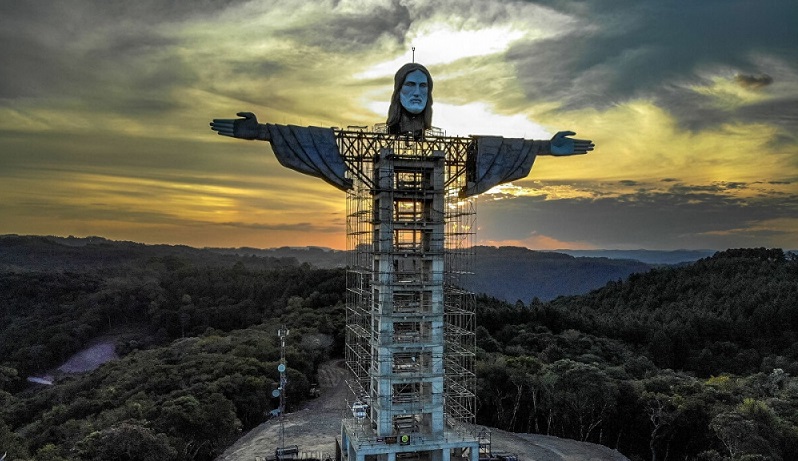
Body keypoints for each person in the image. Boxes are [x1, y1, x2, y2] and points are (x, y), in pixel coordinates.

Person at [210, 63, 594, 196]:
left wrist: (545, 146)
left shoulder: (454, 146)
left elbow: (496, 148)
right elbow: (319, 140)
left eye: (423, 87)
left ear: (430, 95)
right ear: (397, 92)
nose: (417, 93)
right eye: (409, 86)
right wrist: (261, 132)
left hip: (433, 200)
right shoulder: (369, 142)